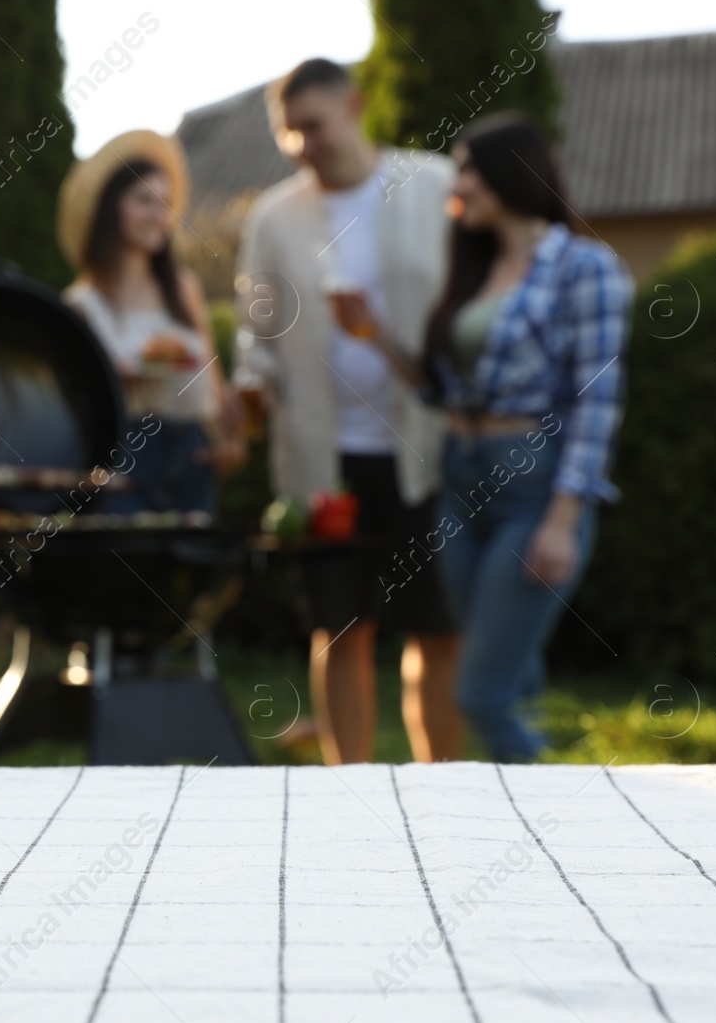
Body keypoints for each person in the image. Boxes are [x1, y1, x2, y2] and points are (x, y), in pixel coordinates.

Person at [364, 113, 631, 762]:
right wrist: (372, 334)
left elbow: (598, 401)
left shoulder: (585, 267)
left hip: (531, 485)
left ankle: (552, 835)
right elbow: (441, 391)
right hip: (459, 477)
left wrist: (565, 518)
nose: (458, 184)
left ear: (514, 173)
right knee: (508, 664)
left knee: (479, 693)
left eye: (468, 168)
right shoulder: (473, 265)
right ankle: (525, 797)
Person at [233, 59, 461, 764]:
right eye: (289, 133)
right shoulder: (274, 218)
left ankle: (445, 783)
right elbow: (256, 330)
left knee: (437, 627)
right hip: (323, 459)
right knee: (340, 625)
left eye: (314, 126)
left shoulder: (433, 187)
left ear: (355, 105)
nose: (303, 144)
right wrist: (249, 382)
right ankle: (348, 786)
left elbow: (469, 306)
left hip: (424, 451)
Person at [57, 130, 244, 514]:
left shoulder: (183, 287)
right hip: (124, 456)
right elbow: (73, 409)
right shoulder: (80, 303)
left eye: (166, 203)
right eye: (144, 200)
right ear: (111, 207)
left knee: (192, 564)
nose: (159, 215)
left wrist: (231, 440)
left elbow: (212, 382)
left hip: (192, 454)